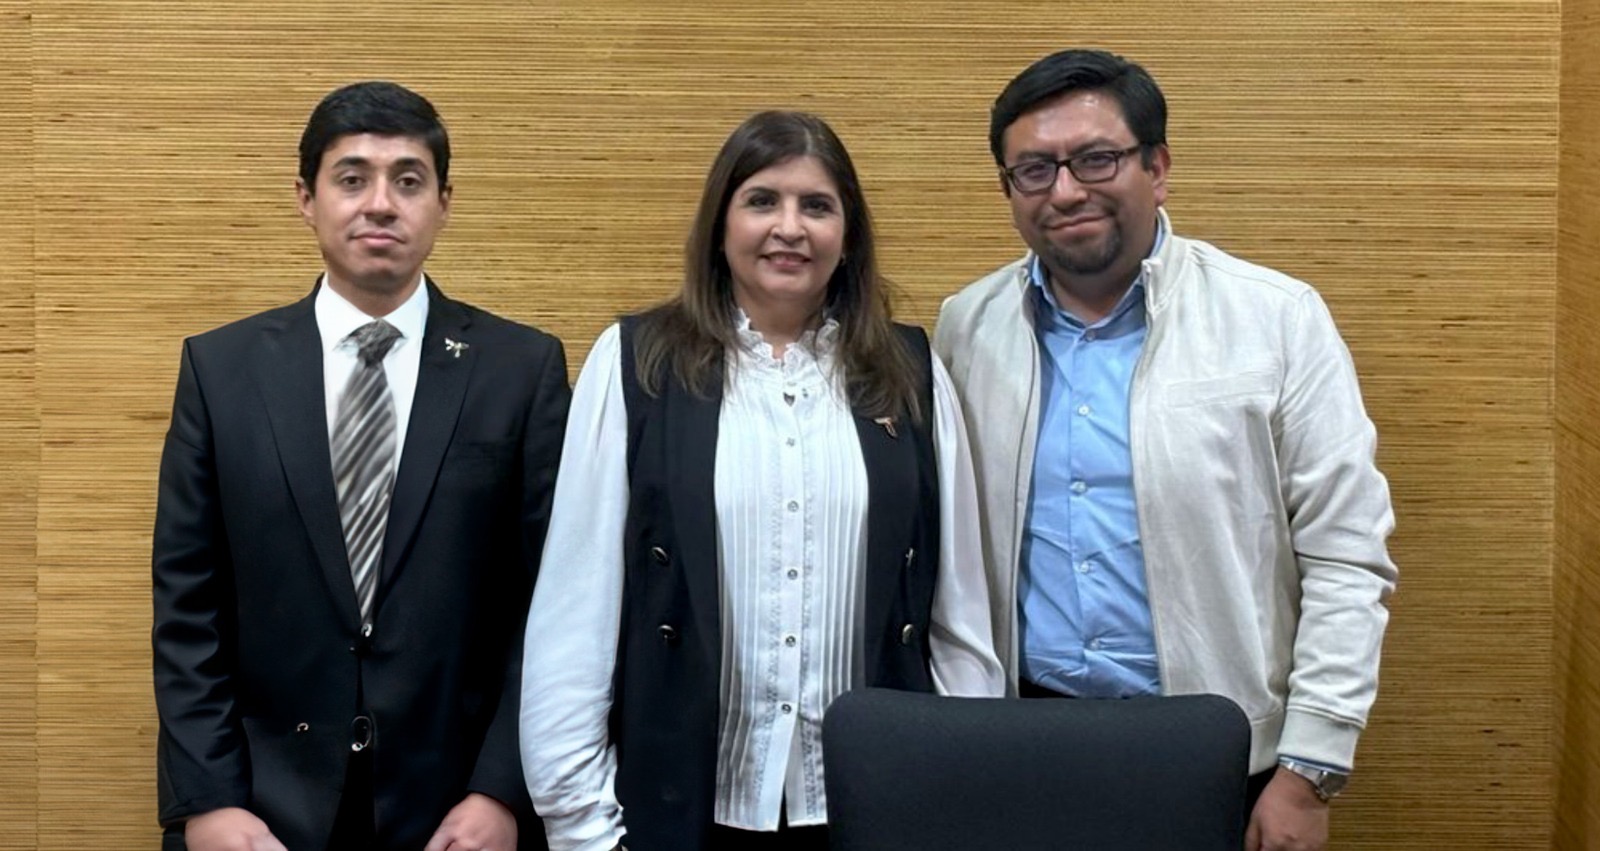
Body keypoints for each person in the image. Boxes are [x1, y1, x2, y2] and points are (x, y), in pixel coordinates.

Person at [933, 49, 1398, 851]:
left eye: (1096, 159)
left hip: (1220, 753)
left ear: (1158, 167)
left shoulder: (1275, 320)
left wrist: (1309, 769)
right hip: (1021, 742)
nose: (1066, 190)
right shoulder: (966, 327)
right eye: (1034, 170)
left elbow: (1347, 556)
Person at [518, 110, 1003, 851]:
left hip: (875, 804)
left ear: (848, 236)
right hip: (681, 807)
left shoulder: (912, 372)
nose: (790, 227)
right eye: (762, 201)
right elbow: (575, 612)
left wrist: (958, 795)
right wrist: (579, 820)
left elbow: (958, 617)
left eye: (817, 206)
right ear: (721, 225)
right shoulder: (637, 365)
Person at [151, 81, 569, 851]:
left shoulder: (521, 370)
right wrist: (208, 801)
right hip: (262, 807)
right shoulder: (222, 369)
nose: (380, 204)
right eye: (352, 178)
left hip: (458, 811)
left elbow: (554, 604)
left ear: (443, 203)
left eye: (408, 180)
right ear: (305, 198)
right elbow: (187, 607)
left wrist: (502, 790)